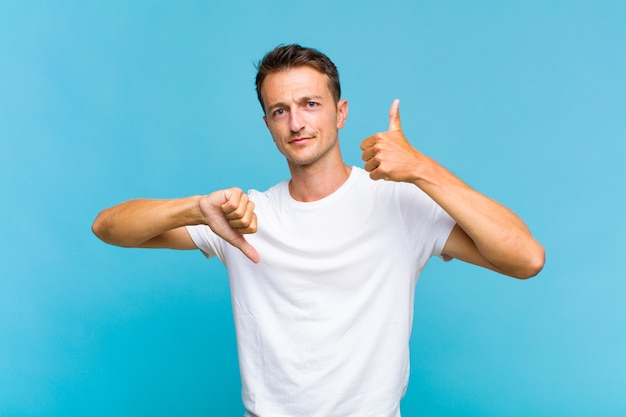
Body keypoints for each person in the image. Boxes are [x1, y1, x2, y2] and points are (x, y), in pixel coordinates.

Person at [92, 44, 544, 417]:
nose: (296, 122)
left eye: (310, 104)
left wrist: (423, 170)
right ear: (268, 124)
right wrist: (192, 208)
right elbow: (108, 227)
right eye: (279, 110)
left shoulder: (400, 204)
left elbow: (526, 259)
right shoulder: (247, 216)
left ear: (340, 112)